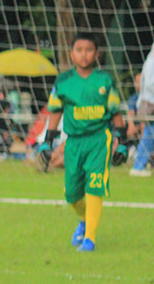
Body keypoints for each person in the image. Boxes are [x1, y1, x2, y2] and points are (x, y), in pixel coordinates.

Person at [38, 31, 124, 252]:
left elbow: (116, 113)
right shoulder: (63, 82)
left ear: (96, 54)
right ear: (71, 54)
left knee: (95, 186)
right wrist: (47, 141)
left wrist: (122, 142)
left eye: (88, 50)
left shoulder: (105, 81)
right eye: (79, 50)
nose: (83, 55)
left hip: (99, 140)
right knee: (72, 194)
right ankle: (85, 221)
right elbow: (55, 111)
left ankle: (90, 239)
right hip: (73, 142)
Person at [130, 44, 154, 177]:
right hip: (151, 103)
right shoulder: (152, 61)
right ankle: (138, 166)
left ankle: (138, 165)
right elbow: (150, 84)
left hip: (149, 102)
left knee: (148, 136)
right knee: (149, 136)